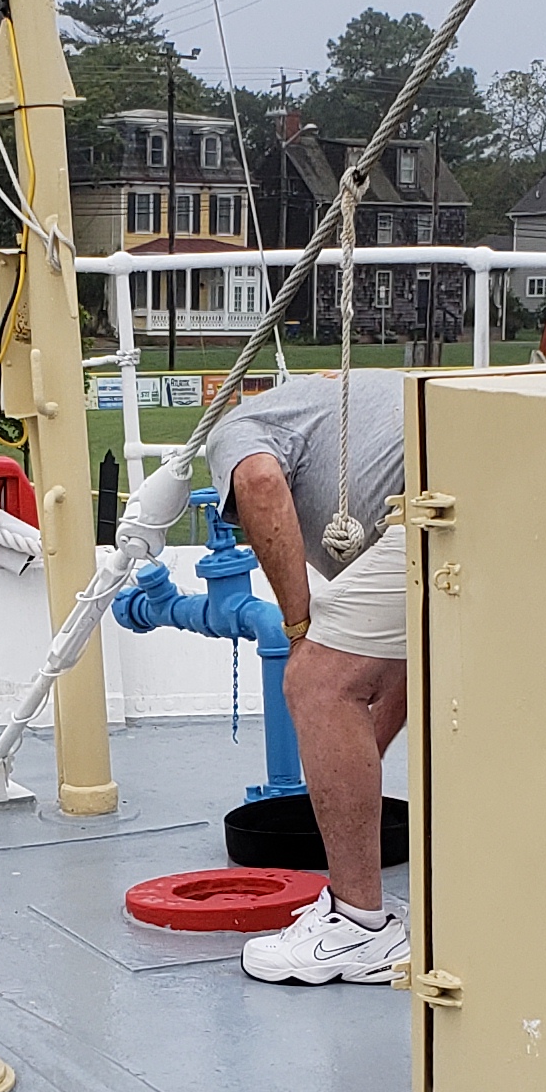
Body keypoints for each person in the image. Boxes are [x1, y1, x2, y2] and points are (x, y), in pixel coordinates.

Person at [206, 367, 409, 984]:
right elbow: (408, 660)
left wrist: (299, 633)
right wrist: (346, 767)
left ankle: (358, 927)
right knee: (354, 672)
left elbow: (260, 481)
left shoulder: (233, 428)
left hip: (440, 504)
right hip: (516, 477)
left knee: (317, 679)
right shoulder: (347, 400)